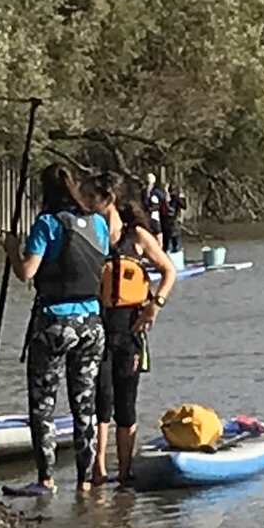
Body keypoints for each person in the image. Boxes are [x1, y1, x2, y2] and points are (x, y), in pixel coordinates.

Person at [3, 164, 110, 495]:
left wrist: (12, 251)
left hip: (53, 321)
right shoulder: (98, 223)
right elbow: (101, 261)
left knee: (43, 403)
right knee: (84, 403)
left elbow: (27, 272)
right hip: (92, 323)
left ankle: (46, 479)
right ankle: (84, 481)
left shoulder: (46, 223)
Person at [91, 172, 179, 484]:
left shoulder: (138, 236)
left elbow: (169, 270)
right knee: (100, 399)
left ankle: (125, 472)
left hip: (130, 329)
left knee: (125, 403)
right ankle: (98, 469)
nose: (88, 203)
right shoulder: (90, 234)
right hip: (97, 328)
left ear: (109, 200)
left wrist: (156, 303)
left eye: (93, 197)